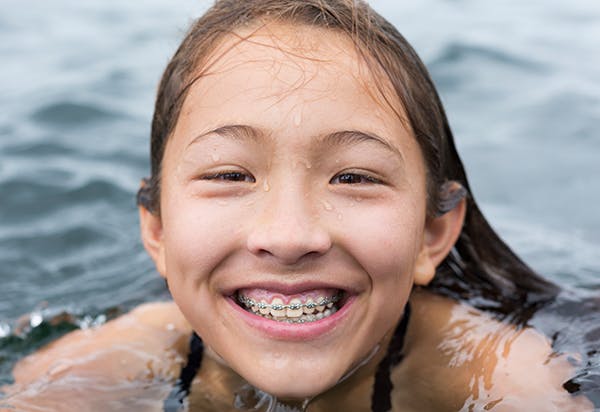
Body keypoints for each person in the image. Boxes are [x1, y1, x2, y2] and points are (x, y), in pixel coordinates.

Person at [1, 1, 594, 410]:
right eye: (231, 174)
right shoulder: (94, 367)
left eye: (354, 177)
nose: (289, 235)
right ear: (156, 232)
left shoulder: (504, 373)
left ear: (431, 235)